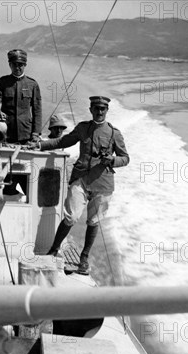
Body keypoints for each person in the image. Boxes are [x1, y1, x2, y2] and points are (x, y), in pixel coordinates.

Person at [29, 96, 129, 275]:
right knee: (71, 216)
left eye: (103, 109)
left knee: (94, 220)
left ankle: (84, 257)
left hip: (103, 184)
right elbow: (62, 142)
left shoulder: (115, 133)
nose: (99, 112)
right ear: (90, 109)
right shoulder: (83, 128)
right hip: (81, 179)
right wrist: (40, 146)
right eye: (96, 108)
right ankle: (53, 250)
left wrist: (112, 160)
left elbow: (125, 158)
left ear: (107, 111)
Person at [0, 49, 42, 144]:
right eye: (14, 64)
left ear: (25, 65)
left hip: (26, 133)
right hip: (6, 132)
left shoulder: (32, 84)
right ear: (10, 65)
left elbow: (37, 110)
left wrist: (36, 132)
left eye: (20, 65)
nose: (17, 68)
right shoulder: (2, 82)